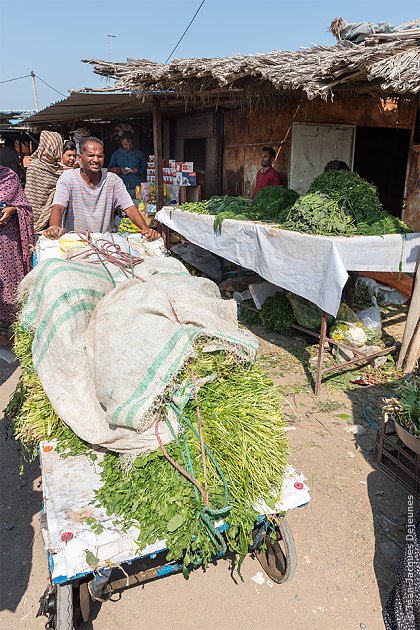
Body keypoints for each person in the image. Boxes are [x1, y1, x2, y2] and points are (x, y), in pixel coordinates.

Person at [44, 137, 159, 241]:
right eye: (91, 155)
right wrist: (54, 226)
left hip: (103, 243)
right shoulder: (68, 178)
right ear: (80, 158)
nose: (96, 160)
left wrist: (145, 229)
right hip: (74, 241)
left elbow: (129, 207)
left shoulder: (113, 180)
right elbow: (58, 207)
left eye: (99, 156)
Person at [0, 166, 34, 345]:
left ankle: (12, 331)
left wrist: (13, 210)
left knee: (11, 287)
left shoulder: (8, 176)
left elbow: (26, 208)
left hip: (7, 244)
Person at [24, 130, 63, 234]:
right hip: (37, 219)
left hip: (54, 219)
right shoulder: (35, 167)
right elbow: (32, 197)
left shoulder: (60, 170)